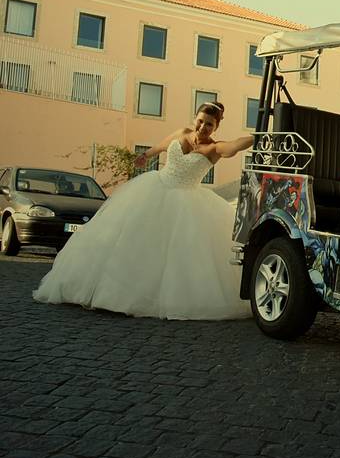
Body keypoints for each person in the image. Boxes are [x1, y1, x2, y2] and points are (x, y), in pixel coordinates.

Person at [34, 102, 255, 320]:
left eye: (209, 124)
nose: (202, 127)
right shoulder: (182, 133)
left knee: (173, 254)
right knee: (131, 241)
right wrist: (145, 156)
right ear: (194, 119)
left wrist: (258, 137)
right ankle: (111, 293)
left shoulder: (214, 148)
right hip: (155, 189)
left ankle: (152, 298)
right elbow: (160, 147)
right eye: (200, 121)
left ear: (215, 127)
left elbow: (235, 145)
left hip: (187, 202)